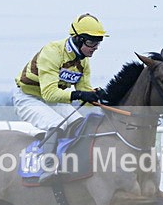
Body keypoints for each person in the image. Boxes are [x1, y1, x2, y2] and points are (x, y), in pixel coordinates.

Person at [13, 13, 108, 183]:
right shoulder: (53, 52)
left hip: (52, 99)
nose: (96, 47)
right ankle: (47, 167)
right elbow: (50, 93)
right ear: (79, 39)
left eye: (98, 42)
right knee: (57, 124)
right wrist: (80, 94)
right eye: (92, 42)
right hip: (28, 97)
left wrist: (99, 97)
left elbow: (84, 94)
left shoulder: (84, 62)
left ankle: (70, 164)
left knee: (79, 123)